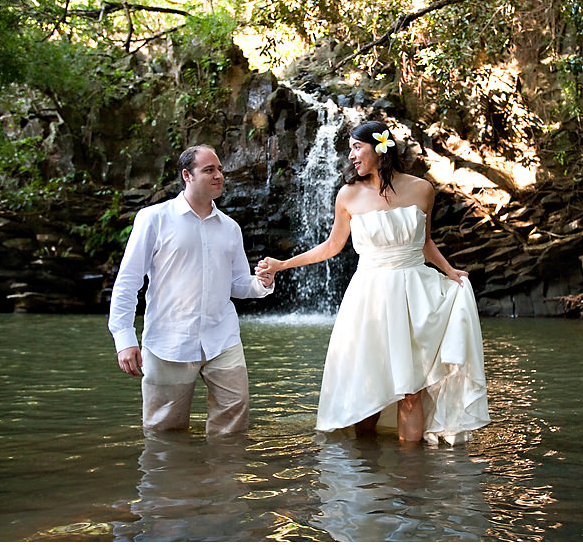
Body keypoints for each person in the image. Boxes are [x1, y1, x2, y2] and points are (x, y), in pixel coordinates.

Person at [256, 120, 490, 444]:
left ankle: (413, 483)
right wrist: (283, 264)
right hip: (369, 297)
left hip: (414, 294)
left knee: (411, 390)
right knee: (367, 385)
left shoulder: (422, 189)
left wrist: (449, 271)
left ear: (380, 148)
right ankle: (367, 479)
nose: (351, 155)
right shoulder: (348, 195)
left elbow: (425, 242)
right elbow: (331, 246)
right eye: (349, 148)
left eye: (356, 147)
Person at [109, 145, 275, 436]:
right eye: (209, 170)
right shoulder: (154, 218)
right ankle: (173, 481)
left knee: (234, 424)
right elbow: (128, 281)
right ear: (187, 175)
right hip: (168, 340)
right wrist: (124, 337)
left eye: (220, 169)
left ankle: (223, 481)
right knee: (164, 431)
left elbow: (236, 284)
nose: (219, 175)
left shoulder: (231, 228)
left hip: (222, 339)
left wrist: (262, 283)